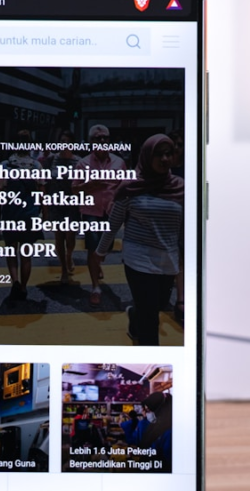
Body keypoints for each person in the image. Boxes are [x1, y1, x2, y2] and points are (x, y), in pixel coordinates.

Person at [96, 134, 183, 345]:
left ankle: (134, 315)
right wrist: (100, 253)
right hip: (138, 259)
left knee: (159, 304)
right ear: (146, 156)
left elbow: (185, 227)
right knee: (150, 319)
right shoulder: (131, 186)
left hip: (168, 260)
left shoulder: (181, 187)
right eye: (158, 154)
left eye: (168, 153)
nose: (164, 159)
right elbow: (114, 222)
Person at [74, 125, 127, 306]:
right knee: (92, 247)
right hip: (90, 212)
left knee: (105, 248)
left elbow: (124, 188)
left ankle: (98, 263)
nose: (102, 141)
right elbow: (74, 189)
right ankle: (95, 287)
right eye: (98, 138)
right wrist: (91, 184)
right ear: (91, 142)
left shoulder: (119, 162)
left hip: (112, 213)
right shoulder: (82, 164)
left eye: (105, 137)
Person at [0, 130, 45, 301]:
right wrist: (45, 217)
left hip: (10, 214)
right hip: (29, 216)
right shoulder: (36, 166)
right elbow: (42, 195)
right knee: (26, 255)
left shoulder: (5, 165)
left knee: (11, 251)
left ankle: (15, 281)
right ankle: (23, 287)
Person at [46, 131, 82, 285]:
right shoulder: (52, 159)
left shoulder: (78, 162)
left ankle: (69, 255)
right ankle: (63, 269)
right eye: (61, 140)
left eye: (67, 141)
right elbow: (46, 182)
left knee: (70, 237)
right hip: (56, 204)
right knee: (59, 237)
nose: (64, 143)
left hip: (72, 205)